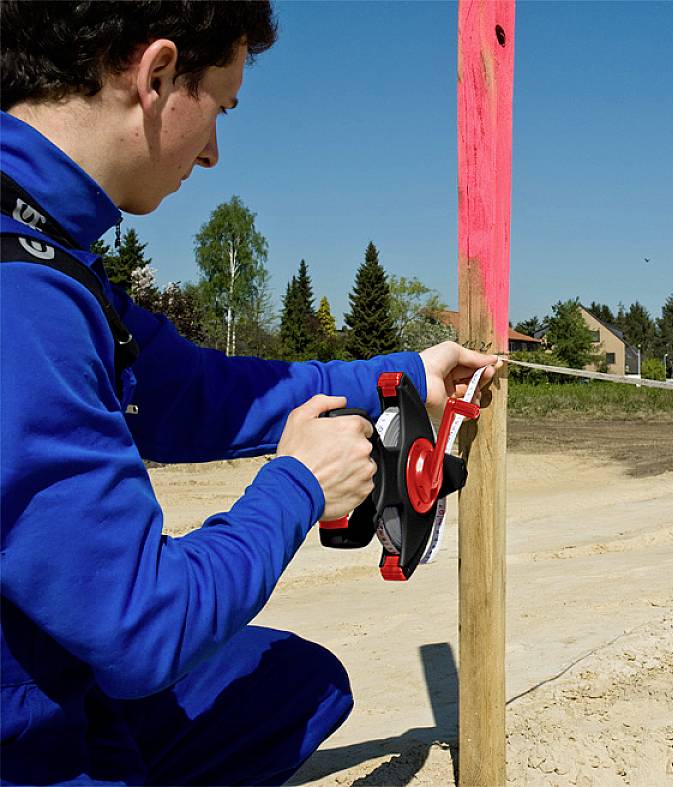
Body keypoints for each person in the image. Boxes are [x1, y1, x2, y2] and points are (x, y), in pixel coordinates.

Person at [0, 3, 499, 783]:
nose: (213, 154)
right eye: (220, 107)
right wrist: (300, 485)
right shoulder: (24, 303)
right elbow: (142, 625)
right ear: (156, 75)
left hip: (36, 667)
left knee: (297, 683)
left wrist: (400, 375)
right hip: (23, 731)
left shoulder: (45, 247)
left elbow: (199, 391)